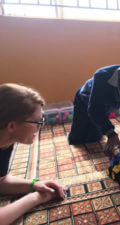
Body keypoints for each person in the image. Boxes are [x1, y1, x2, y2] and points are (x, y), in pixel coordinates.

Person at [0, 83, 67, 225]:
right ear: (11, 126)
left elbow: (1, 181)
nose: (41, 126)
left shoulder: (5, 140)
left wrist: (35, 185)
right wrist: (37, 197)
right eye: (36, 122)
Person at [68, 54, 120, 156]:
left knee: (95, 137)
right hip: (85, 100)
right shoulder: (102, 76)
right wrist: (111, 133)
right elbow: (95, 109)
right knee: (77, 139)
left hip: (107, 105)